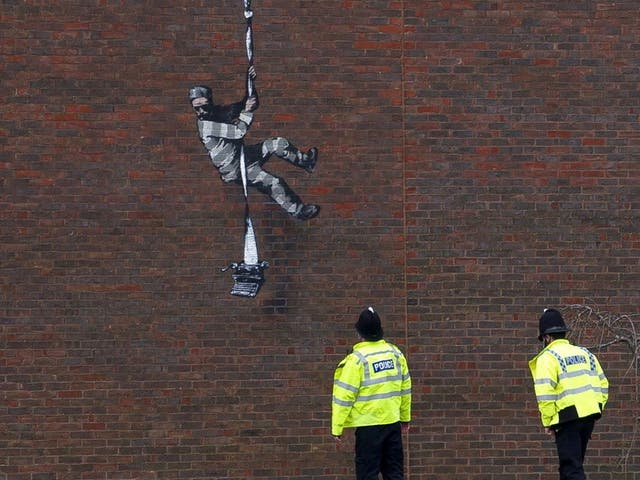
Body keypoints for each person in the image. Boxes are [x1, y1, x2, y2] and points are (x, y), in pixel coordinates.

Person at [189, 66, 320, 221]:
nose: (202, 111)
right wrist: (247, 111)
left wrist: (250, 83)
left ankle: (306, 162)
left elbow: (249, 103)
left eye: (204, 106)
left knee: (278, 144)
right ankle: (298, 211)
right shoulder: (205, 125)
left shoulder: (217, 112)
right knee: (273, 182)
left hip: (243, 155)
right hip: (235, 169)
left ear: (210, 102)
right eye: (197, 109)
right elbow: (239, 132)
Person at [528, 308, 609, 480]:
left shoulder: (548, 357)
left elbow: (545, 394)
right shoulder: (585, 353)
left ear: (547, 337)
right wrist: (597, 406)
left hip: (567, 418)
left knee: (571, 469)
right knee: (572, 466)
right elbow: (603, 384)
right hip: (589, 416)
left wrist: (548, 421)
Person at [332, 307, 412, 480]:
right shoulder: (395, 354)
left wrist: (337, 427)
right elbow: (405, 389)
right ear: (380, 330)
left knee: (367, 475)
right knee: (395, 474)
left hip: (368, 429)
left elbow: (344, 396)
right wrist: (405, 418)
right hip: (392, 424)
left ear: (359, 332)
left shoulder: (357, 360)